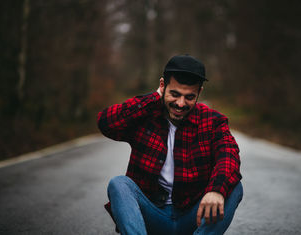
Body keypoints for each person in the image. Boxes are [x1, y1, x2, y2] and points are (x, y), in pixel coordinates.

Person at [97, 54, 242, 235]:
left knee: (233, 186)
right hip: (153, 215)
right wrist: (153, 98)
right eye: (174, 94)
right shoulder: (146, 115)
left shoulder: (213, 121)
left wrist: (216, 190)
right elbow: (106, 123)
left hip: (192, 217)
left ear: (199, 93)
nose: (181, 104)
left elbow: (229, 155)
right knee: (119, 184)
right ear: (162, 86)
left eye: (189, 97)